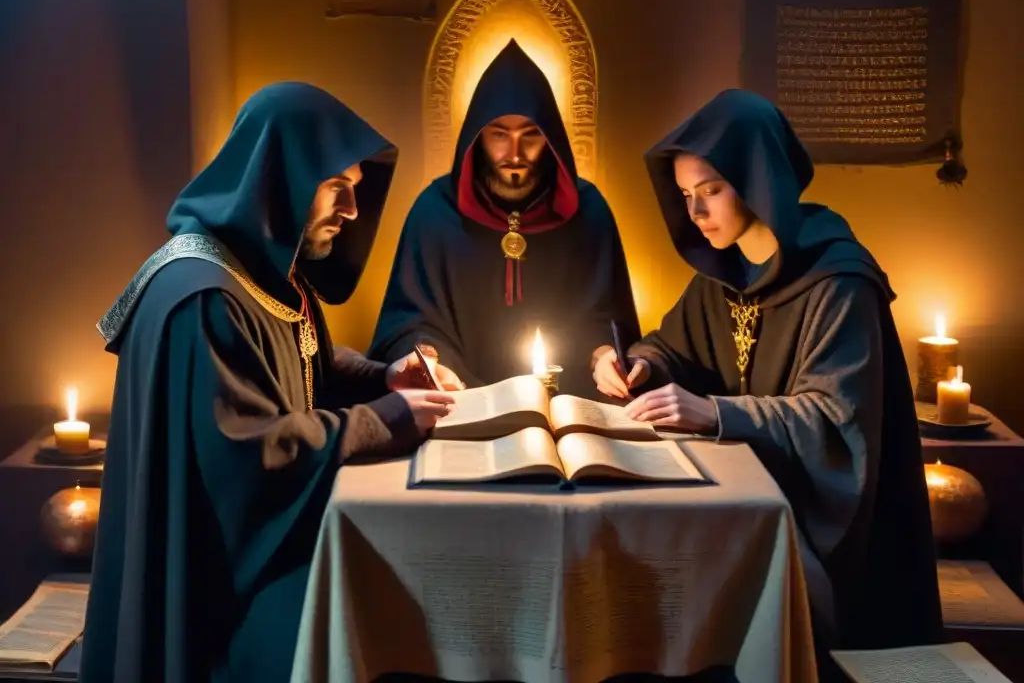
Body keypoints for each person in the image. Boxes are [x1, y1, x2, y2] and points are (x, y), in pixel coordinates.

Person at [80, 82, 460, 683]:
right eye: (339, 188)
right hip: (215, 595)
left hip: (248, 554)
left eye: (355, 191)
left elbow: (303, 367)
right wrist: (386, 419)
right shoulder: (201, 295)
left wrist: (382, 377)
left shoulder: (261, 273)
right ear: (281, 178)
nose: (353, 211)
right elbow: (253, 455)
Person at [592, 90, 943, 662]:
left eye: (711, 191)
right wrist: (640, 364)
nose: (696, 214)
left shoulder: (839, 280)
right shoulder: (724, 270)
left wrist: (717, 413)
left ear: (758, 180)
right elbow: (674, 346)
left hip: (828, 529)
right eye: (686, 196)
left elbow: (836, 422)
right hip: (747, 498)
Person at [368, 39, 640, 396]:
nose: (514, 153)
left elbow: (603, 318)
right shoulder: (435, 211)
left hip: (568, 402)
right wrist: (429, 359)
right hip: (464, 401)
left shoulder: (588, 210)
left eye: (530, 135)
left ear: (551, 139)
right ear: (477, 137)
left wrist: (605, 356)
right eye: (499, 135)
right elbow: (410, 324)